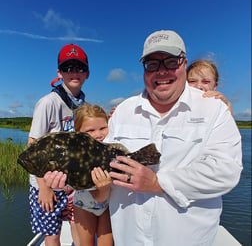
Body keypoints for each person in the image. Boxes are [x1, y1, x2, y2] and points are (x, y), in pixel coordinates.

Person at [45, 30, 242, 246]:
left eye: (170, 61)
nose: (162, 71)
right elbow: (103, 184)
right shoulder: (122, 112)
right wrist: (70, 179)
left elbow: (226, 171)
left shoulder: (215, 110)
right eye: (152, 64)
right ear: (144, 69)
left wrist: (159, 183)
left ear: (184, 63)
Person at [28, 43, 90, 246]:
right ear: (59, 72)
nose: (74, 72)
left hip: (71, 184)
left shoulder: (83, 105)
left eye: (79, 67)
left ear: (87, 73)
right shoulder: (49, 102)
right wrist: (43, 187)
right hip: (46, 184)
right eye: (68, 67)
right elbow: (32, 147)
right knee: (52, 234)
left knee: (78, 225)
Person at [73, 103, 113, 246]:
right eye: (90, 130)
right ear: (78, 133)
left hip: (108, 205)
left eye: (103, 128)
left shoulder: (112, 148)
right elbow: (98, 194)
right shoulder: (77, 155)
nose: (98, 135)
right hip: (83, 205)